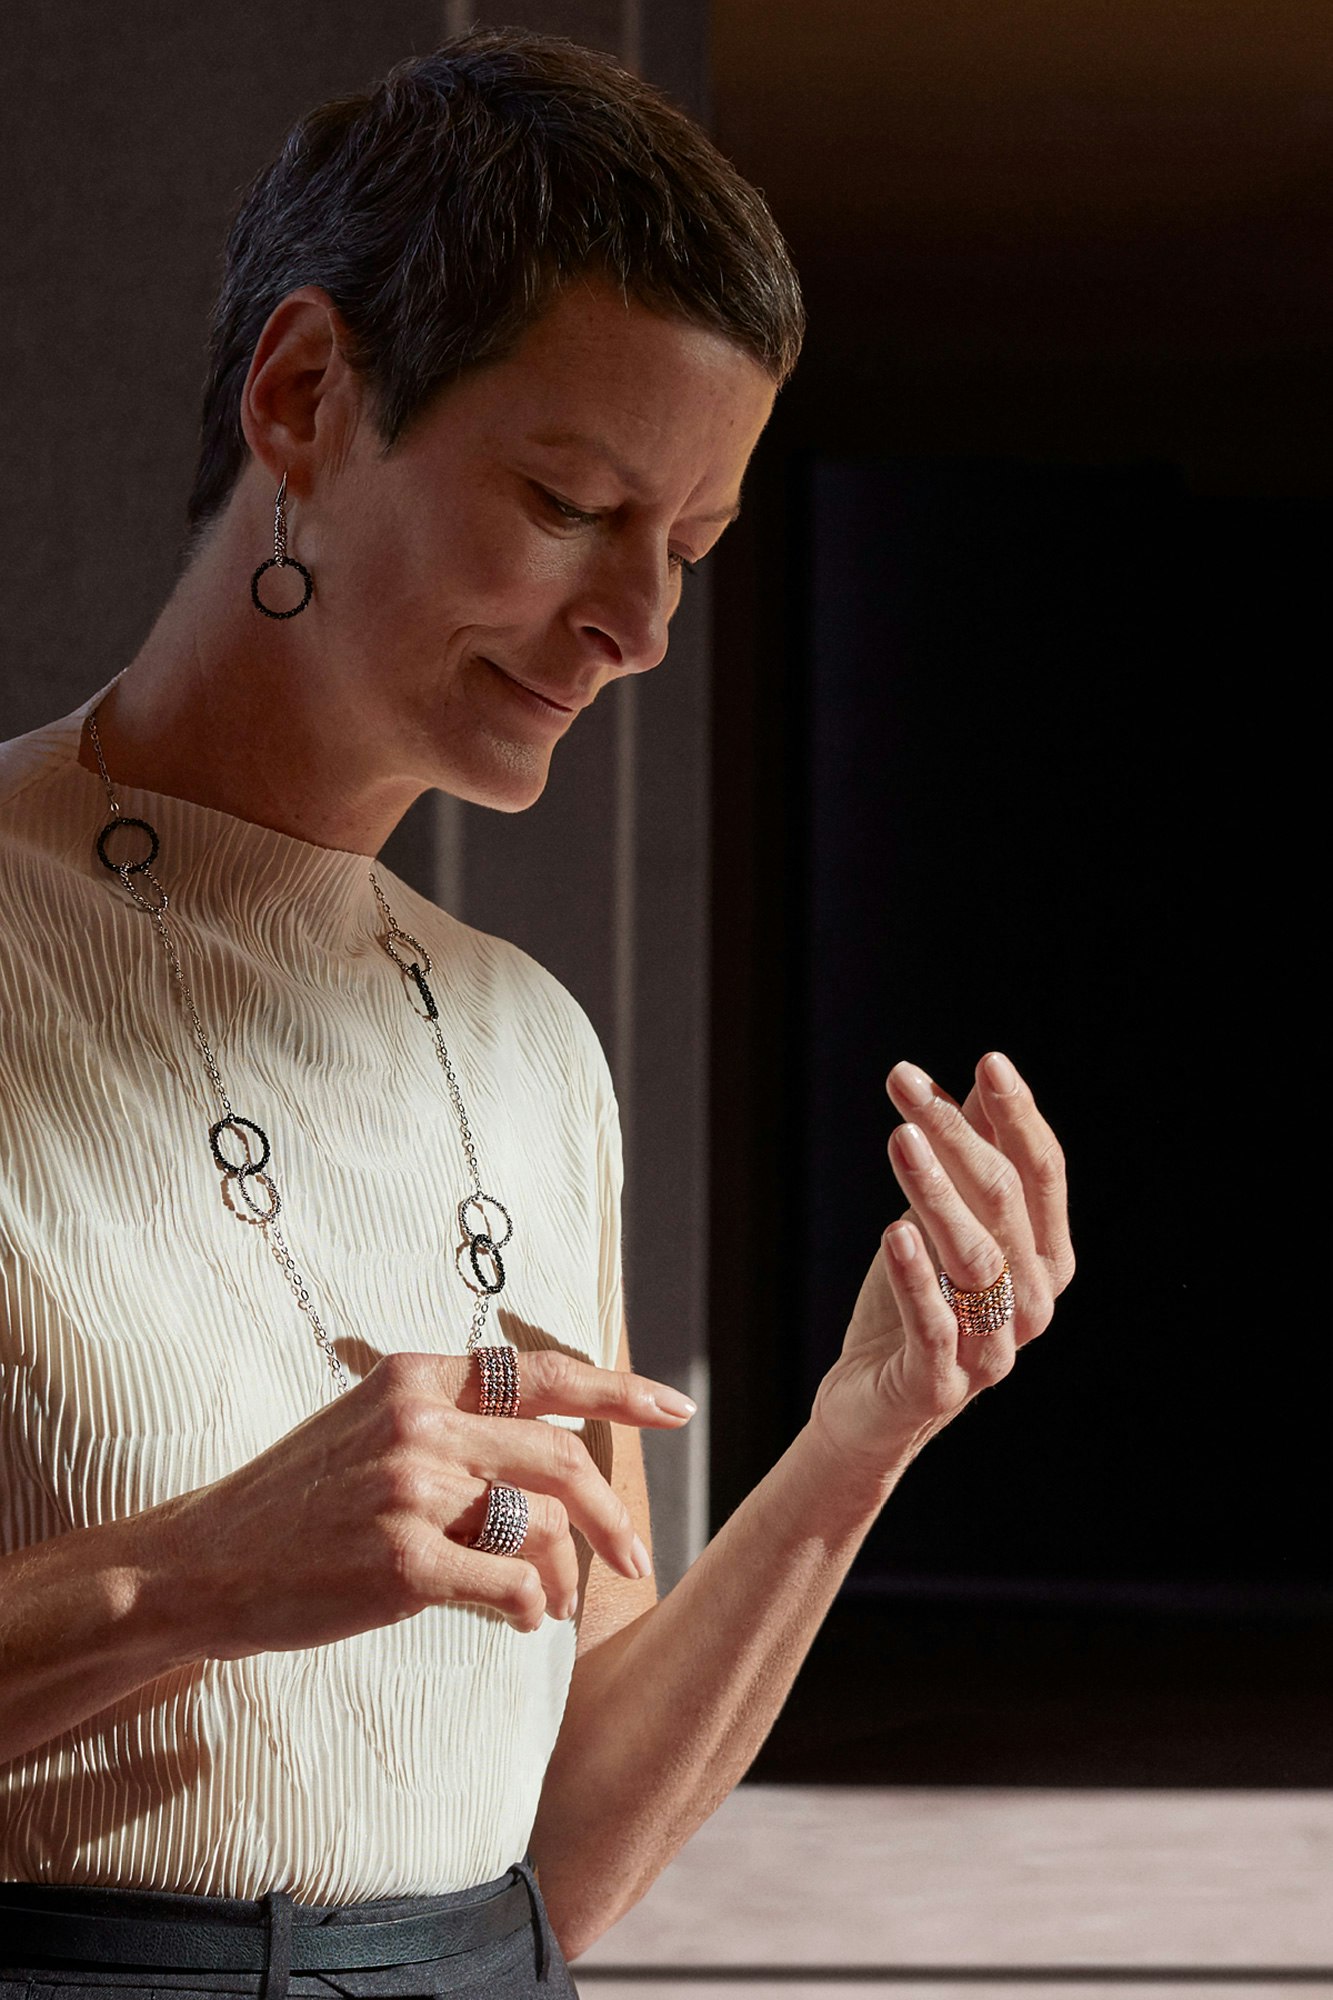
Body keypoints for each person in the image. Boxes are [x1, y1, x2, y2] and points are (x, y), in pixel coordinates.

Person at [0, 27, 1074, 1999]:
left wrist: (864, 1433)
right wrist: (196, 1573)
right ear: (306, 394)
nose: (641, 626)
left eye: (689, 548)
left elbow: (562, 1860)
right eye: (574, 498)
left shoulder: (525, 1038)